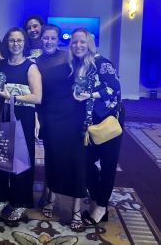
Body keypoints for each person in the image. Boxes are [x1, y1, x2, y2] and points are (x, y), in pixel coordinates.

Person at [68, 28, 124, 227]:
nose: (78, 45)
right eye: (74, 42)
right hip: (88, 123)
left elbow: (114, 88)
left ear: (89, 43)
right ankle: (98, 198)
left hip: (107, 121)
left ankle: (101, 206)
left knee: (108, 165)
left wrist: (90, 95)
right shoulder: (77, 64)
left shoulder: (102, 62)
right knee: (85, 162)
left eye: (82, 42)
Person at [36, 24, 87, 232]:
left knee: (77, 162)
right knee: (53, 159)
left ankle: (76, 210)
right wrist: (37, 118)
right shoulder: (36, 62)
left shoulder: (71, 58)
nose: (48, 41)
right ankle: (51, 197)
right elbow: (37, 94)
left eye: (52, 38)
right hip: (49, 117)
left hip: (73, 116)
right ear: (41, 40)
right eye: (45, 38)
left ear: (59, 39)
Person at [0, 27, 42, 222]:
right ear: (7, 43)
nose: (16, 44)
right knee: (1, 158)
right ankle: (1, 198)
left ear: (24, 43)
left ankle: (20, 201)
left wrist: (12, 96)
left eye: (19, 40)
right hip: (2, 114)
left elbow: (37, 97)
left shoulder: (31, 66)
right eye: (12, 40)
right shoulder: (1, 64)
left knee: (21, 159)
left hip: (22, 118)